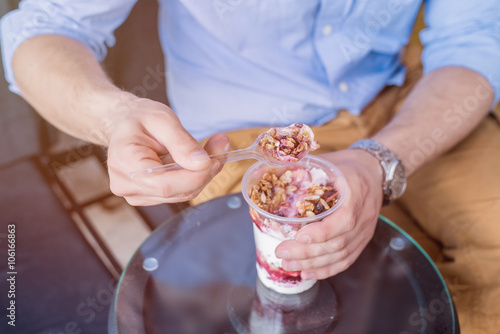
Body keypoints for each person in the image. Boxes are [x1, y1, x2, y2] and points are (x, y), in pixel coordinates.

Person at [1, 0, 500, 332]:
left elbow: (474, 40)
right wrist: (112, 116)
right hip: (241, 135)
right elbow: (48, 25)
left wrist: (379, 159)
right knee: (333, 308)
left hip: (411, 104)